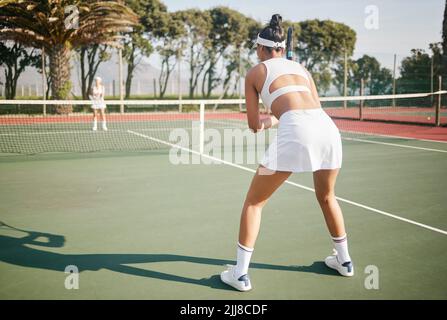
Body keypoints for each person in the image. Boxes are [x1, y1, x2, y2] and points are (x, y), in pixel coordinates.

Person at [220, 14, 354, 292]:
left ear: (260, 49)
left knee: (254, 203)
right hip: (328, 131)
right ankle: (345, 262)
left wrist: (275, 118)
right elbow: (310, 107)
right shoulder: (302, 69)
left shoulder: (255, 73)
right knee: (328, 197)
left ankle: (240, 275)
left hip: (296, 134)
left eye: (256, 49)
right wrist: (282, 116)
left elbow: (255, 126)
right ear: (281, 48)